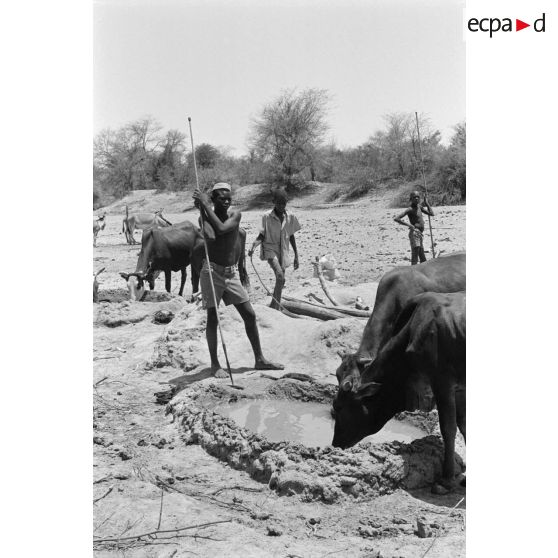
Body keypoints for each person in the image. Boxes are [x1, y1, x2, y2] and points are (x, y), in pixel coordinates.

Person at [193, 182, 284, 378]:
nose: (226, 202)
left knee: (249, 314)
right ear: (213, 199)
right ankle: (215, 365)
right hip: (211, 272)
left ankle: (260, 359)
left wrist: (205, 206)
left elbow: (223, 229)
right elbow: (210, 235)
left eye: (228, 199)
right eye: (221, 199)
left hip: (230, 273)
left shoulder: (236, 214)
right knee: (212, 319)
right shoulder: (205, 217)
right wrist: (203, 210)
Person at [248, 188, 301, 310]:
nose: (282, 206)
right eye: (279, 203)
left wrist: (296, 257)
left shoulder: (290, 217)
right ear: (274, 202)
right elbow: (262, 235)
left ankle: (275, 303)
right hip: (270, 249)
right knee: (280, 276)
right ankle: (275, 306)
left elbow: (291, 236)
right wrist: (254, 245)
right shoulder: (267, 217)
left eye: (284, 203)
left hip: (283, 250)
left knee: (281, 280)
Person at [394, 190, 434, 265]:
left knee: (421, 253)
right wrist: (409, 225)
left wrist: (427, 203)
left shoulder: (420, 207)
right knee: (415, 252)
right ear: (411, 199)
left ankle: (424, 269)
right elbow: (397, 218)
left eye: (418, 197)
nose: (416, 199)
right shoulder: (410, 209)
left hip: (420, 234)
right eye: (414, 197)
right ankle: (413, 270)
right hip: (414, 233)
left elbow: (431, 214)